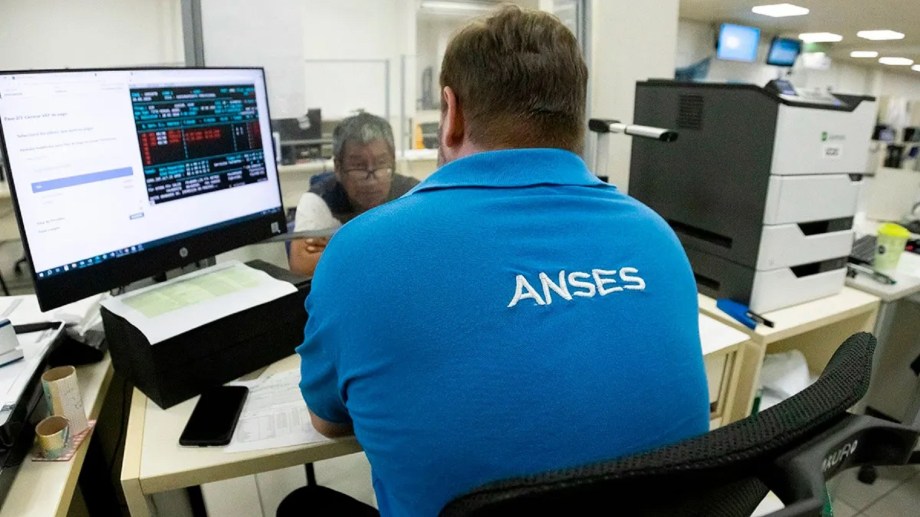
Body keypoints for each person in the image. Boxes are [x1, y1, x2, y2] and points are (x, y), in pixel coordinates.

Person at [297, 6, 710, 515]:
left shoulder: (359, 253)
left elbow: (328, 421)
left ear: (451, 113)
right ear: (574, 118)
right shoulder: (657, 237)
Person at [288, 113, 418, 276]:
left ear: (393, 163)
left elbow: (430, 252)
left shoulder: (413, 194)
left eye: (381, 164)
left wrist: (339, 249)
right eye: (358, 166)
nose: (371, 180)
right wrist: (393, 249)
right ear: (338, 168)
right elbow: (301, 264)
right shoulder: (319, 199)